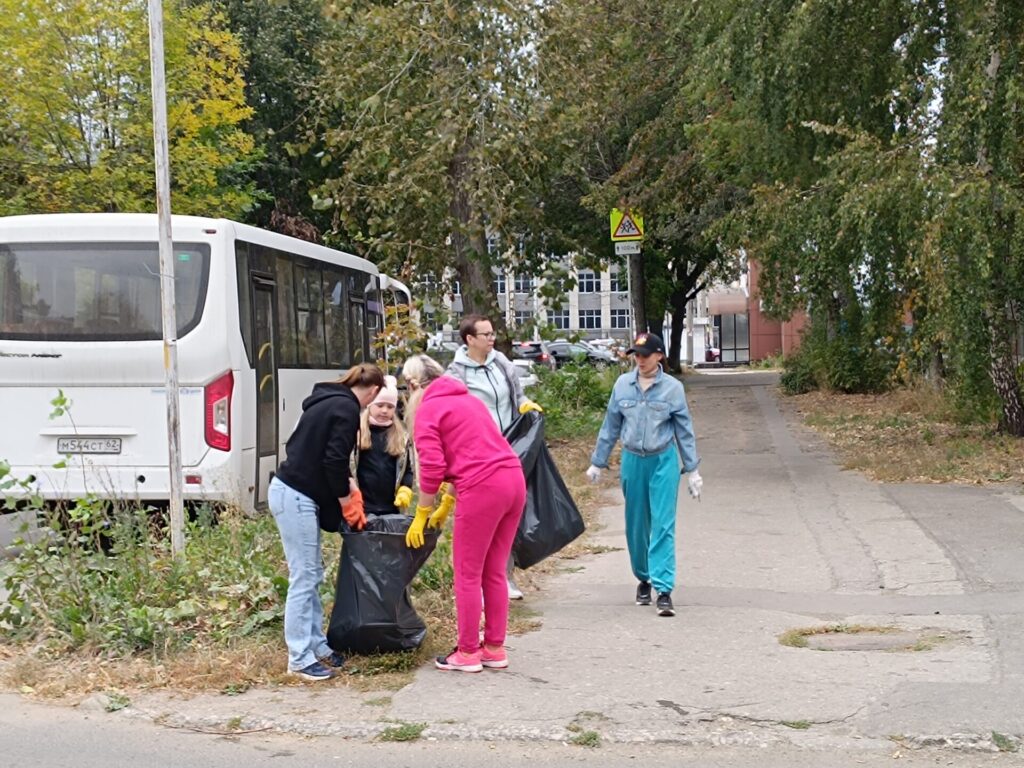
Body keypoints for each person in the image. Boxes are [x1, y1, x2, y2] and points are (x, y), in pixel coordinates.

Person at [402, 354, 527, 673]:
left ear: (414, 384)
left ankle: (468, 651)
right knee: (495, 570)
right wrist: (448, 500)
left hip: (483, 487)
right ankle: (494, 648)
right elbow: (473, 451)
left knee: (467, 573)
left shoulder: (429, 408)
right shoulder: (468, 401)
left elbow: (432, 466)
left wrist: (424, 510)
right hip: (512, 478)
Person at [268, 362, 385, 681]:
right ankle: (299, 657)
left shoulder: (327, 400)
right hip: (295, 496)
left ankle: (317, 645)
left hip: (293, 492)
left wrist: (349, 486)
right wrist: (346, 499)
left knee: (313, 572)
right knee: (304, 575)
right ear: (372, 392)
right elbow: (334, 461)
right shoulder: (347, 409)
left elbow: (314, 451)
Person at [586, 332, 702, 618]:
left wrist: (693, 469)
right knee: (637, 525)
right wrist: (597, 462)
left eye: (645, 355)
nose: (640, 360)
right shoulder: (623, 385)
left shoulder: (673, 389)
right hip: (633, 460)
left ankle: (664, 589)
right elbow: (610, 425)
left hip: (662, 459)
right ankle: (644, 578)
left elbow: (683, 430)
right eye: (636, 355)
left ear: (659, 356)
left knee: (662, 523)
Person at [446, 314, 541, 600]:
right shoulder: (456, 373)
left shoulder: (502, 363)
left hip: (511, 446)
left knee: (511, 514)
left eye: (492, 333)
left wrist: (525, 405)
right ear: (469, 339)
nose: (491, 338)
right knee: (484, 518)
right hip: (478, 455)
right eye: (485, 334)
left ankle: (504, 577)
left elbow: (517, 395)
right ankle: (479, 583)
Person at [351, 375, 415, 524]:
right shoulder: (357, 432)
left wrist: (405, 489)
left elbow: (408, 470)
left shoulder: (401, 436)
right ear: (369, 405)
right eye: (380, 405)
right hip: (363, 507)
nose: (385, 411)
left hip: (391, 508)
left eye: (390, 406)